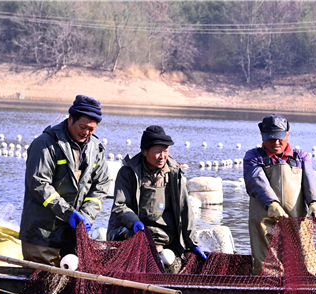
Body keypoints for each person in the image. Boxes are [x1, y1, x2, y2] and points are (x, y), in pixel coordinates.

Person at [20, 95, 111, 266]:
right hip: (42, 235)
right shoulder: (45, 143)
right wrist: (68, 213)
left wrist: (86, 216)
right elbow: (39, 183)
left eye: (91, 129)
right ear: (70, 119)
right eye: (82, 127)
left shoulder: (95, 147)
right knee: (41, 284)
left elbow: (102, 184)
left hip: (73, 236)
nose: (86, 133)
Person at [107, 125, 206, 259]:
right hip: (135, 230)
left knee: (166, 254)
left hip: (165, 234)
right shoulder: (128, 172)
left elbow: (185, 210)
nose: (162, 156)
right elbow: (120, 206)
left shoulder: (174, 173)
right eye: (158, 151)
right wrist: (134, 221)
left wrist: (193, 242)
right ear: (144, 151)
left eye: (166, 151)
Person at [243, 114, 316, 275]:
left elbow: (310, 182)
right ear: (262, 137)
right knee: (267, 266)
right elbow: (256, 180)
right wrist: (272, 203)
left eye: (280, 137)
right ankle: (268, 287)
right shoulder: (253, 157)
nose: (276, 142)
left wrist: (315, 202)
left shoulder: (300, 157)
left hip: (297, 219)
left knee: (304, 262)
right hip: (264, 219)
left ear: (288, 134)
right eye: (271, 138)